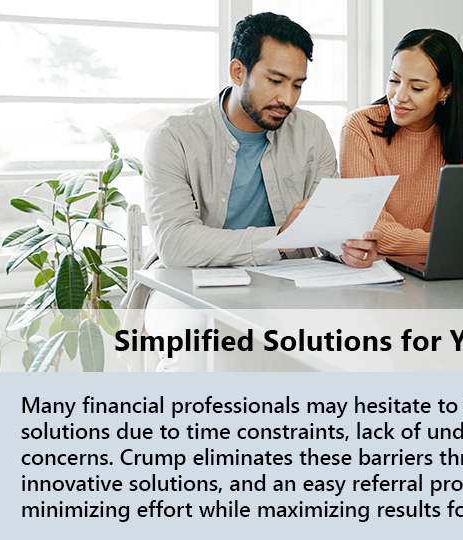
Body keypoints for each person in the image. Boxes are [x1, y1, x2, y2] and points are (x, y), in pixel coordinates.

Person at [121, 12, 380, 371]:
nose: (287, 98)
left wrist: (346, 249)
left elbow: (325, 228)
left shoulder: (312, 131)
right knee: (196, 349)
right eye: (276, 81)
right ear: (238, 71)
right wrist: (279, 239)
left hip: (287, 282)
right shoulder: (173, 138)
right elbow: (177, 246)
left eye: (298, 85)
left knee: (362, 338)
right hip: (186, 284)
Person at [339, 28, 463, 255]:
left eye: (417, 87)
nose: (399, 96)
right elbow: (368, 225)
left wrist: (457, 242)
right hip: (380, 264)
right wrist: (443, 243)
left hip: (446, 262)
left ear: (445, 91)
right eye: (394, 80)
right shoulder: (359, 126)